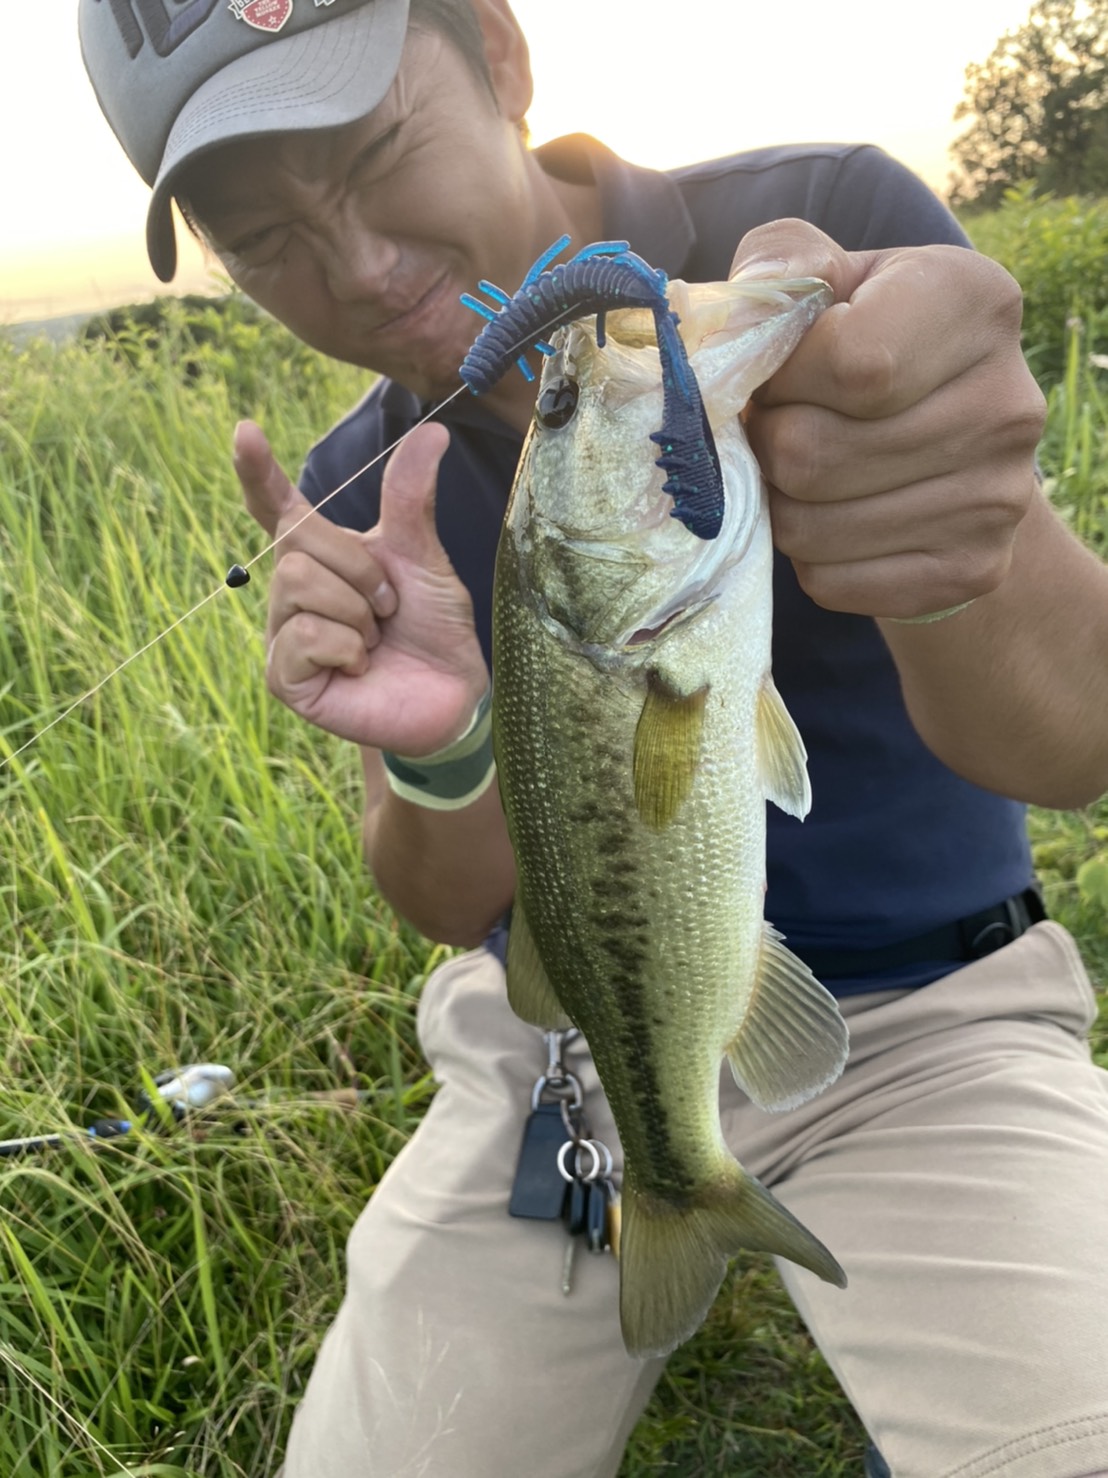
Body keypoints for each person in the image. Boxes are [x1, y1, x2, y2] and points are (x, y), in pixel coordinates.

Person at [80, 2, 1108, 1475]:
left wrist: (946, 539)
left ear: (499, 56)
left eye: (375, 150)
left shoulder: (832, 237)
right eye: (264, 237)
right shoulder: (373, 484)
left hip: (928, 1021)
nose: (358, 267)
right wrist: (446, 743)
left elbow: (1077, 748)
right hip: (567, 1058)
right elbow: (450, 903)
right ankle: (679, 1193)